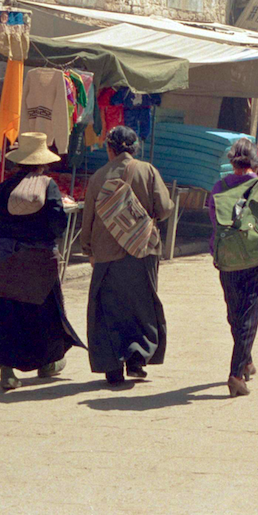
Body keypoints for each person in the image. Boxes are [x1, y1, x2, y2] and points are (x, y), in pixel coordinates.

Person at [0, 133, 84, 391]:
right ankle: (47, 364)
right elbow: (57, 224)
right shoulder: (48, 187)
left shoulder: (3, 189)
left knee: (5, 313)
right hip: (39, 262)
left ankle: (7, 371)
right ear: (42, 163)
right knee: (45, 314)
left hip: (4, 261)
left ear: (18, 162)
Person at [82, 126, 174, 385]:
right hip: (142, 251)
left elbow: (88, 217)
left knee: (107, 309)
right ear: (134, 148)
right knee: (142, 307)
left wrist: (88, 248)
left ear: (110, 149)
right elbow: (165, 208)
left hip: (106, 254)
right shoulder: (147, 170)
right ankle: (137, 360)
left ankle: (112, 368)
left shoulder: (98, 176)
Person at [208, 139, 258, 397]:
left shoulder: (219, 188)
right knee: (248, 316)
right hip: (257, 258)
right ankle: (236, 373)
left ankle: (247, 361)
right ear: (256, 159)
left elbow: (214, 221)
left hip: (227, 259)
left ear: (232, 161)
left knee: (235, 313)